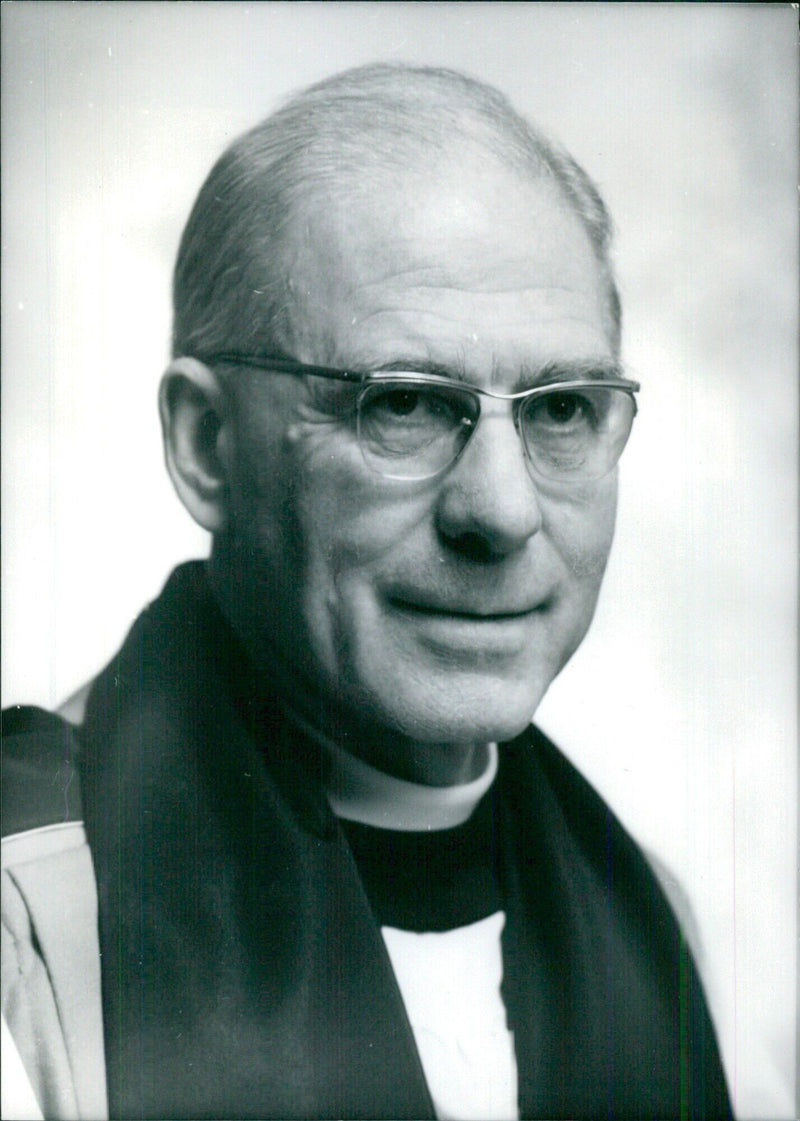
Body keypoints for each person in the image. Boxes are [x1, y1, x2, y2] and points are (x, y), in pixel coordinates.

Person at [2, 63, 732, 1120]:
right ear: (209, 446)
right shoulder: (30, 918)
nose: (501, 509)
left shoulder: (653, 922)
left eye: (562, 409)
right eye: (402, 404)